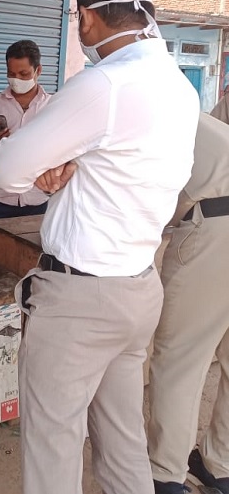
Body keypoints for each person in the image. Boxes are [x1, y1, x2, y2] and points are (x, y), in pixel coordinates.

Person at [0, 0, 199, 494]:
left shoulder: (105, 84)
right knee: (123, 442)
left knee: (54, 448)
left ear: (86, 17)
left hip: (80, 302)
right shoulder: (180, 87)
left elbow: (6, 172)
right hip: (138, 288)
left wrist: (47, 171)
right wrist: (67, 169)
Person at [147, 112, 229, 494]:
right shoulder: (188, 114)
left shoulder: (134, 108)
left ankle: (164, 475)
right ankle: (219, 464)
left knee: (180, 358)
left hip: (215, 226)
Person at [0, 40, 51, 256]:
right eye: (11, 74)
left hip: (37, 203)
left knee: (30, 262)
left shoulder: (53, 107)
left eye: (23, 74)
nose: (16, 80)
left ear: (38, 71)